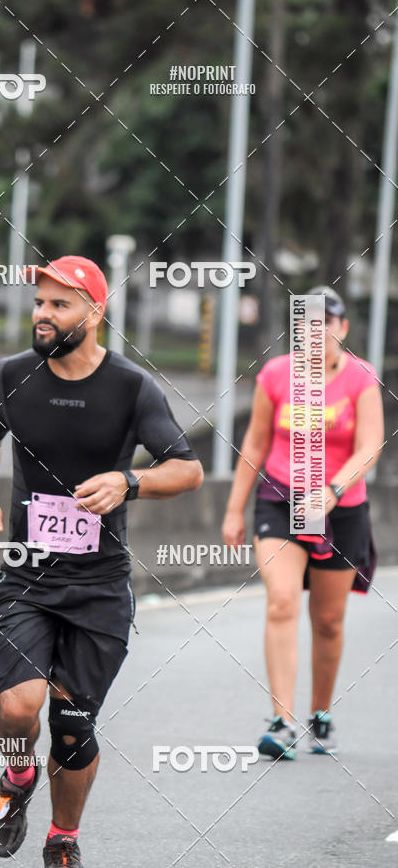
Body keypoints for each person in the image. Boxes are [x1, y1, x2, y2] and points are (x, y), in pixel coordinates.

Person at [0, 255, 203, 867]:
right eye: (39, 303)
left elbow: (189, 469)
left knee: (72, 727)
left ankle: (62, 837)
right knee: (18, 706)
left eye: (59, 304)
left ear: (94, 313)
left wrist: (130, 481)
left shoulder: (130, 387)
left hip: (99, 587)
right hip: (26, 577)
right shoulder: (10, 375)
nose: (43, 314)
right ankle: (18, 776)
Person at [222, 286, 383, 759]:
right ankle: (283, 720)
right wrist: (234, 509)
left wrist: (333, 489)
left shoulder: (360, 378)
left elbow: (370, 445)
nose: (317, 332)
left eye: (326, 323)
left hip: (342, 507)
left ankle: (320, 713)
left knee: (328, 621)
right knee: (282, 601)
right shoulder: (275, 375)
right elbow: (253, 443)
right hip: (280, 499)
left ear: (342, 328)